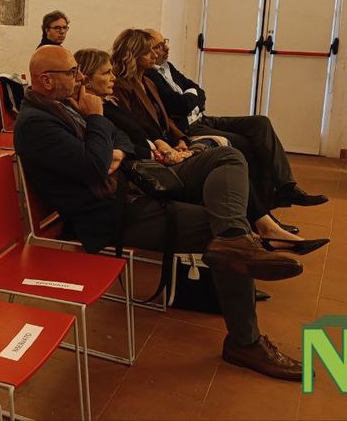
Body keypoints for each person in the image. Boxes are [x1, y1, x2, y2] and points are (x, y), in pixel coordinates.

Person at [15, 45, 305, 381]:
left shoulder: (65, 103)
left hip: (136, 186)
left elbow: (123, 138)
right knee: (223, 233)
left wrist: (113, 151)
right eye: (72, 72)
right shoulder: (36, 123)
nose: (80, 78)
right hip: (111, 215)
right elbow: (94, 165)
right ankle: (245, 341)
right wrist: (96, 119)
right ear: (46, 80)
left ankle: (235, 238)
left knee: (227, 158)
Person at [75, 47, 328, 256]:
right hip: (147, 171)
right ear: (85, 77)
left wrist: (163, 144)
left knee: (236, 154)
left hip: (159, 153)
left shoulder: (113, 100)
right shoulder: (97, 107)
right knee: (228, 159)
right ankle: (259, 231)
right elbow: (161, 116)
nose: (159, 52)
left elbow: (144, 127)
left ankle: (265, 224)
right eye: (106, 73)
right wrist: (157, 150)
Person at [145, 29, 328, 209]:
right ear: (148, 50)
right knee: (247, 143)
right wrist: (192, 96)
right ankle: (263, 206)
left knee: (260, 123)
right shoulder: (150, 75)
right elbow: (180, 105)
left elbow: (199, 91)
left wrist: (192, 95)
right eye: (159, 46)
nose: (166, 48)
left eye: (165, 42)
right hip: (189, 127)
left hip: (203, 119)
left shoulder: (168, 67)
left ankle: (287, 187)